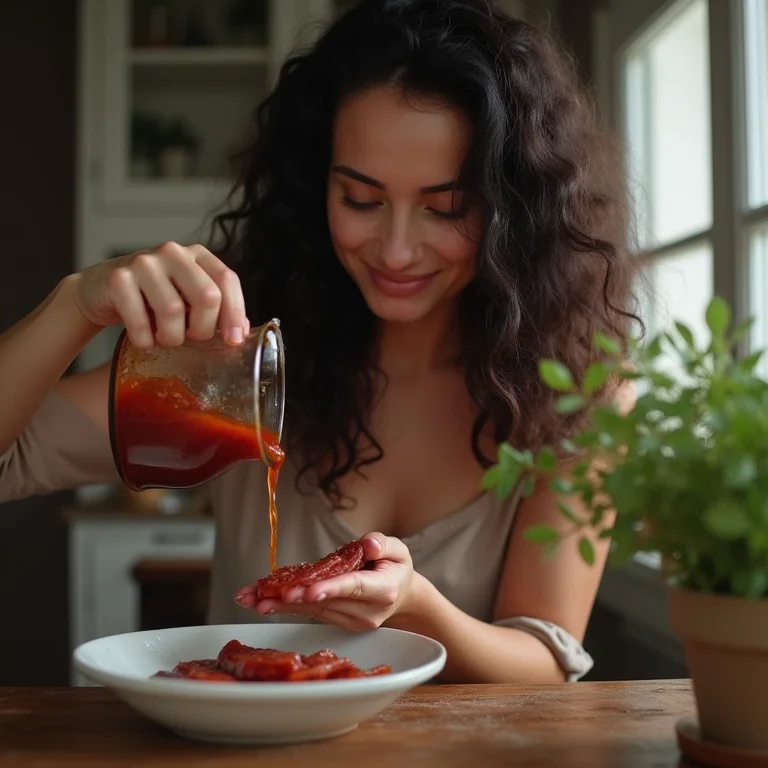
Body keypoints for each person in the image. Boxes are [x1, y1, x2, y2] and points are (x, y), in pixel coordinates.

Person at [0, 0, 639, 684]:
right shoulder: (238, 361)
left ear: (514, 209)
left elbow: (544, 659)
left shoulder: (580, 385)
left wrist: (417, 605)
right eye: (360, 200)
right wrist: (74, 304)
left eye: (445, 208)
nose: (396, 249)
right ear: (315, 187)